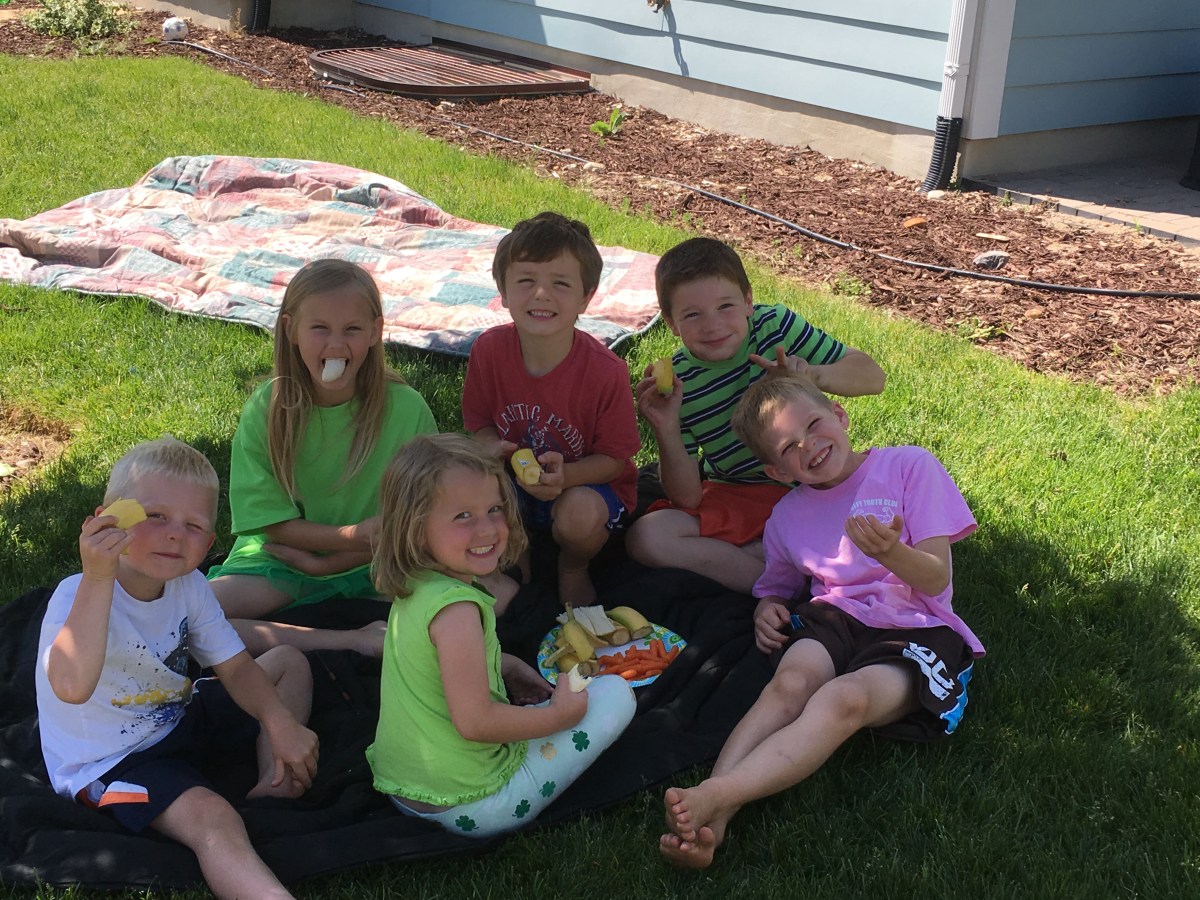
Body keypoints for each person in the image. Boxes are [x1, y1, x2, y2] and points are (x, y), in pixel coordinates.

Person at [657, 374, 983, 868]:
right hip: (835, 617)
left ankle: (717, 795)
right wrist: (766, 607)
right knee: (790, 685)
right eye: (788, 447)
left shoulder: (908, 466)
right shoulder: (787, 516)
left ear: (840, 414)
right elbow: (776, 585)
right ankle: (713, 818)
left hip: (917, 627)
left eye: (812, 425)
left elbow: (936, 578)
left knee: (843, 699)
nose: (808, 446)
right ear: (776, 470)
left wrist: (892, 553)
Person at [35, 436, 319, 900]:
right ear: (107, 520)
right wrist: (99, 576)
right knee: (212, 816)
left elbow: (236, 667)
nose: (174, 534)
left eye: (193, 525)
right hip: (110, 762)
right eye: (155, 516)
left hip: (174, 717)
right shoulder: (76, 595)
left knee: (288, 662)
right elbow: (70, 686)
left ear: (208, 543)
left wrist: (279, 723)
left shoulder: (190, 585)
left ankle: (273, 788)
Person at [366, 433, 636, 837]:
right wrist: (556, 717)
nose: (488, 529)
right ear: (416, 529)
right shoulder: (457, 611)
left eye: (494, 509)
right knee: (616, 694)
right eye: (463, 516)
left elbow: (434, 668)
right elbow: (475, 723)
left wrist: (504, 664)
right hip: (471, 803)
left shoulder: (417, 585)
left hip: (403, 786)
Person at [627, 236, 886, 594]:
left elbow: (873, 377)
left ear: (748, 301)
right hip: (739, 494)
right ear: (671, 323)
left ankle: (777, 568)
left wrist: (809, 376)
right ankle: (789, 579)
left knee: (875, 525)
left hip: (814, 483)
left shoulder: (774, 327)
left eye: (725, 306)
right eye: (692, 314)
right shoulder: (678, 382)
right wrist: (666, 426)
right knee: (646, 536)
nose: (712, 325)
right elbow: (687, 499)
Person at [208, 258, 438, 654]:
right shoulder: (267, 409)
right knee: (196, 617)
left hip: (378, 561)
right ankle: (350, 640)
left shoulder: (407, 409)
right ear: (290, 330)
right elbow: (273, 525)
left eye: (352, 329)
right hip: (283, 563)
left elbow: (426, 518)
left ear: (375, 332)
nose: (336, 345)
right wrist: (347, 540)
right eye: (320, 328)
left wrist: (338, 560)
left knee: (476, 602)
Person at [462, 211, 640, 608]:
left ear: (585, 297)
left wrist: (567, 476)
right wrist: (491, 448)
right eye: (526, 281)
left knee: (579, 515)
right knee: (465, 478)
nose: (541, 294)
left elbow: (615, 460)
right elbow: (479, 424)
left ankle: (572, 566)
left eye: (560, 283)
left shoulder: (605, 371)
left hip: (583, 488)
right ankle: (514, 553)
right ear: (503, 291)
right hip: (512, 486)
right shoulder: (488, 351)